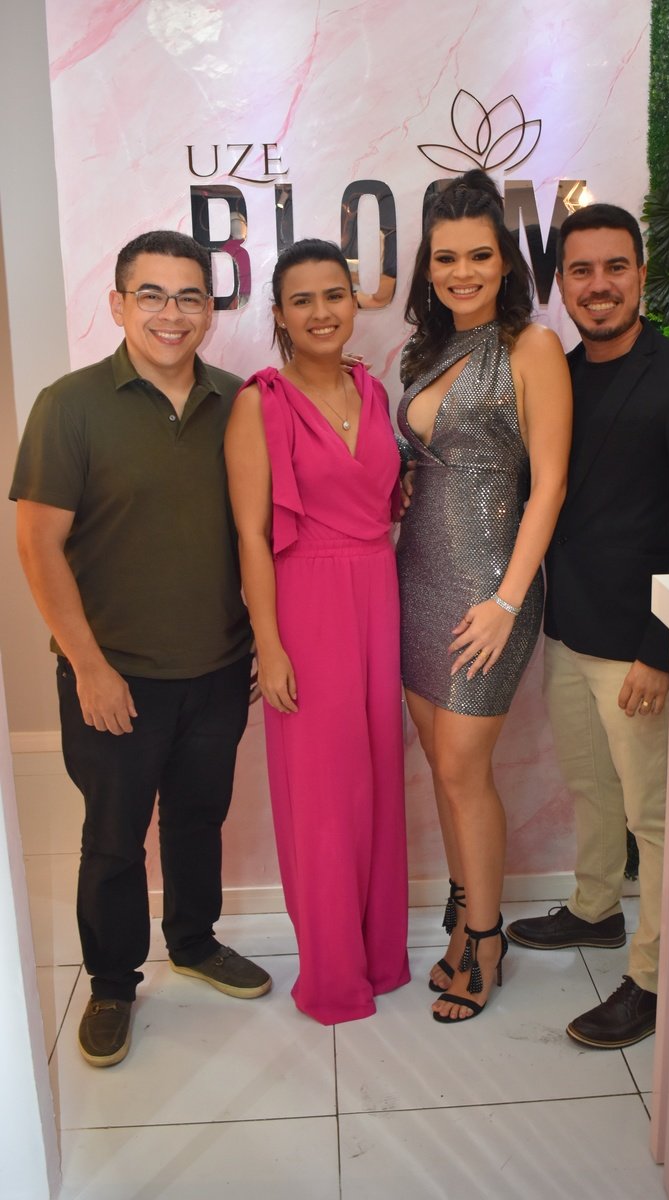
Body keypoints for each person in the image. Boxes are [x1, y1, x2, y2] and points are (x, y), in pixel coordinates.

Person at [10, 230, 271, 1069]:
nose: (172, 313)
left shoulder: (238, 402)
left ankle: (193, 941)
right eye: (151, 295)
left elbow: (264, 529)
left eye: (190, 296)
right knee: (115, 839)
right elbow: (38, 546)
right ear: (119, 304)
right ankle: (114, 983)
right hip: (113, 675)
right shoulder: (70, 405)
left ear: (210, 310)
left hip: (219, 669)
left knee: (198, 819)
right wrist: (88, 666)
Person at [507, 203, 669, 1048]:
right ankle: (596, 907)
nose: (598, 285)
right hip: (567, 629)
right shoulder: (557, 376)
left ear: (641, 273)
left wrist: (660, 651)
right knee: (591, 787)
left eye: (614, 267)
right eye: (581, 270)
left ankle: (655, 978)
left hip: (639, 646)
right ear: (560, 283)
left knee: (655, 817)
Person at [396, 171, 572, 1023]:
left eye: (478, 255)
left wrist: (505, 602)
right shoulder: (421, 353)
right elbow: (420, 463)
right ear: (427, 268)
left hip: (489, 590)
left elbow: (549, 487)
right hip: (417, 578)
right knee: (442, 763)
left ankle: (486, 938)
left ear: (505, 262)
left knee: (466, 767)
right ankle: (464, 909)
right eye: (445, 258)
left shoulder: (532, 347)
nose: (461, 272)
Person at [224, 239, 410, 1025]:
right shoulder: (259, 403)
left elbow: (381, 496)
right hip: (305, 604)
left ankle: (378, 957)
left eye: (334, 295)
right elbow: (251, 534)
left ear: (354, 302)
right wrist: (269, 644)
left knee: (377, 784)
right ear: (279, 315)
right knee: (324, 796)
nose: (321, 312)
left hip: (378, 595)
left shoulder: (373, 391)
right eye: (302, 300)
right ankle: (333, 974)